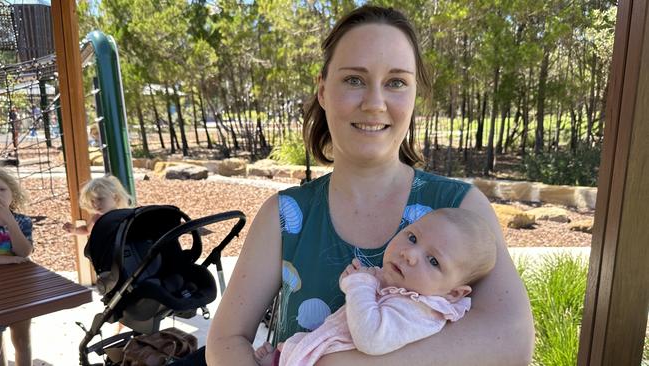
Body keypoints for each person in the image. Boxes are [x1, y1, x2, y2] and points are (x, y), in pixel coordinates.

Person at [206, 5, 534, 365]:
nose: (375, 103)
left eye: (395, 82)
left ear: (413, 96)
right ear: (323, 90)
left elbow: (512, 340)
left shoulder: (461, 208)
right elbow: (225, 340)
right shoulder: (285, 216)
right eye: (354, 80)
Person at [254, 208, 497, 366]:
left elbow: (371, 338)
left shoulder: (421, 311)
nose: (409, 254)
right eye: (412, 237)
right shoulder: (403, 284)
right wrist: (357, 280)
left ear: (454, 292)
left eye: (433, 261)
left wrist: (359, 285)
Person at [0, 168, 34, 366]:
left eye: (2, 189)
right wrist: (7, 260)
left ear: (13, 193)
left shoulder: (22, 221)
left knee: (22, 340)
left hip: (19, 288)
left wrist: (10, 222)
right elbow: (16, 258)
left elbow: (23, 252)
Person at [63, 175, 133, 236]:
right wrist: (75, 230)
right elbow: (87, 230)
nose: (95, 204)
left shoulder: (125, 216)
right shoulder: (97, 218)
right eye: (92, 201)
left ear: (115, 198)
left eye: (100, 199)